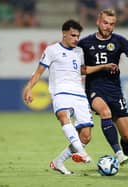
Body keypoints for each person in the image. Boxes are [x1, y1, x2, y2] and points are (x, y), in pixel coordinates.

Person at [23, 19, 117, 175]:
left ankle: (58, 162)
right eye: (73, 35)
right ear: (64, 34)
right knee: (63, 116)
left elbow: (82, 69)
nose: (75, 39)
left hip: (79, 94)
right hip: (60, 91)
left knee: (86, 137)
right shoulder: (52, 50)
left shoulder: (78, 52)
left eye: (77, 36)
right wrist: (29, 88)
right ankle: (82, 153)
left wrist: (103, 66)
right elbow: (39, 72)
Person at [78, 8, 128, 172]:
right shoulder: (84, 43)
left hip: (115, 91)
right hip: (94, 89)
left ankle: (127, 156)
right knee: (105, 112)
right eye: (105, 23)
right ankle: (118, 153)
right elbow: (77, 66)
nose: (108, 27)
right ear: (98, 21)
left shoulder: (120, 41)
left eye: (112, 24)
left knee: (127, 136)